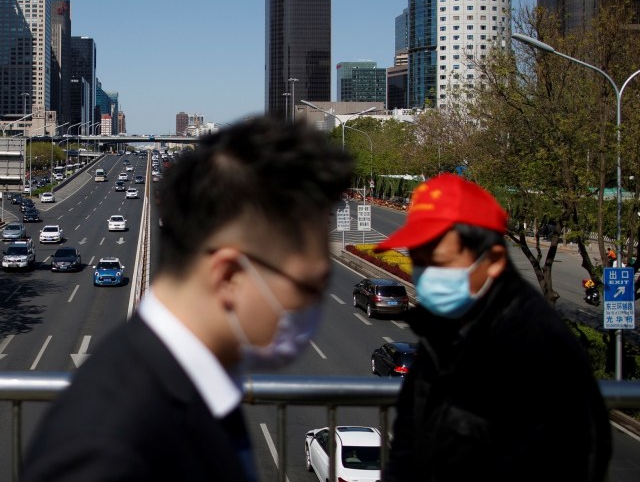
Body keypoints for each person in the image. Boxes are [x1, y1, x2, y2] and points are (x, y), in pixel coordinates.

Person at [21, 116, 353, 482]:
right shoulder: (108, 449)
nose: (315, 307)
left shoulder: (197, 388)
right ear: (229, 277)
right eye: (308, 287)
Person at [376, 172, 611, 482]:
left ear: (495, 260)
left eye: (440, 261)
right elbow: (408, 444)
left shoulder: (537, 348)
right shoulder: (443, 335)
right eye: (419, 260)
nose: (426, 274)